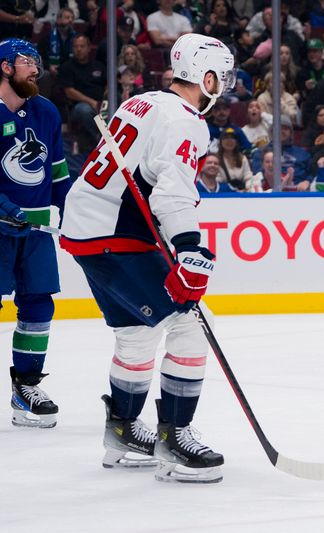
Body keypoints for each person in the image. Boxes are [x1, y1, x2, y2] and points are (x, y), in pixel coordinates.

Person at [60, 34, 235, 483]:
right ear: (206, 76)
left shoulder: (141, 103)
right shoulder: (186, 120)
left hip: (87, 227)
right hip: (117, 234)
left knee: (137, 334)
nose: (225, 85)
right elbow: (172, 192)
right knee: (193, 325)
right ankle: (174, 437)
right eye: (222, 76)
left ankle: (122, 429)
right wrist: (191, 250)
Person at [0, 38, 72, 429]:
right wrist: (8, 210)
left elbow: (57, 174)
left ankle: (25, 387)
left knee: (39, 307)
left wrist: (76, 211)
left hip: (36, 234)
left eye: (38, 63)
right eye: (27, 62)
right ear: (5, 66)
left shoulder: (45, 111)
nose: (36, 70)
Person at [58, 34, 107, 152]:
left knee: (114, 104)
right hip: (78, 106)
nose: (79, 49)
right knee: (84, 110)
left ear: (89, 48)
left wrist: (104, 100)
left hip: (101, 103)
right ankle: (101, 139)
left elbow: (108, 84)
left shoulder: (99, 66)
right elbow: (69, 91)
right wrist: (93, 102)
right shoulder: (67, 67)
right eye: (76, 47)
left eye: (82, 46)